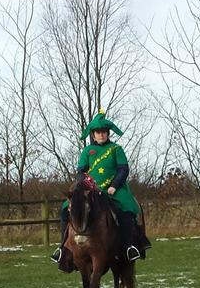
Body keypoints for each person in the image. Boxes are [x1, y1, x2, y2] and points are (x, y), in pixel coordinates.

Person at [52, 110, 146, 269]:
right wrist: (89, 185)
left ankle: (130, 247)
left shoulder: (116, 149)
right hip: (90, 189)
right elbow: (81, 172)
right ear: (93, 135)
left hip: (114, 188)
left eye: (103, 132)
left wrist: (114, 186)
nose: (101, 135)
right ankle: (63, 248)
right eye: (98, 132)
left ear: (107, 133)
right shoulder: (87, 151)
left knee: (127, 208)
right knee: (64, 210)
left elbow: (123, 169)